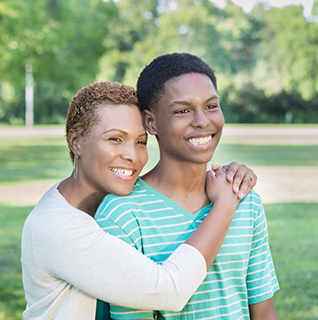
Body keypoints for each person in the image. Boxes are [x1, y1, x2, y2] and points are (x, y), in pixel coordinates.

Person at [21, 81, 257, 319]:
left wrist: (229, 177)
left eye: (140, 142)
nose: (132, 156)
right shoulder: (55, 227)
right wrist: (226, 203)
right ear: (76, 142)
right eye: (115, 139)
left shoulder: (113, 209)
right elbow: (170, 290)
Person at [95, 53, 279, 319]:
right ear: (151, 122)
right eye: (182, 110)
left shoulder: (245, 201)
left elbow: (263, 310)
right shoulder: (122, 215)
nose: (202, 121)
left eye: (212, 106)